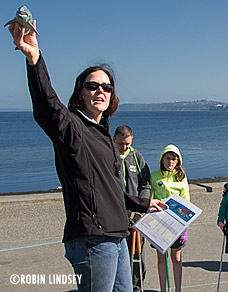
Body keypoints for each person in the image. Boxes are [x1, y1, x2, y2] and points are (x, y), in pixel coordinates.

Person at [7, 21, 167, 292]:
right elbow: (48, 109)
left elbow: (109, 188)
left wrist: (142, 203)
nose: (100, 92)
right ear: (80, 93)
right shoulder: (73, 127)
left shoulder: (103, 134)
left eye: (106, 88)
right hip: (93, 238)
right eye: (92, 86)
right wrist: (35, 60)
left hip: (118, 236)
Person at [113, 125, 151, 292]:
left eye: (128, 144)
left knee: (137, 253)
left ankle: (137, 286)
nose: (125, 147)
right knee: (119, 255)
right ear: (114, 140)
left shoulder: (136, 157)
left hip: (136, 214)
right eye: (121, 144)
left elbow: (146, 183)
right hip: (115, 214)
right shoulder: (109, 156)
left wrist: (141, 204)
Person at [150, 145, 189, 292]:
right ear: (162, 159)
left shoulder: (181, 177)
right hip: (159, 222)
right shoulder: (154, 176)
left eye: (173, 159)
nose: (170, 161)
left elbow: (186, 199)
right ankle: (163, 289)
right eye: (167, 158)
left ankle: (178, 289)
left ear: (178, 161)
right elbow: (149, 197)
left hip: (177, 222)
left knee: (176, 257)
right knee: (161, 258)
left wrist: (185, 219)